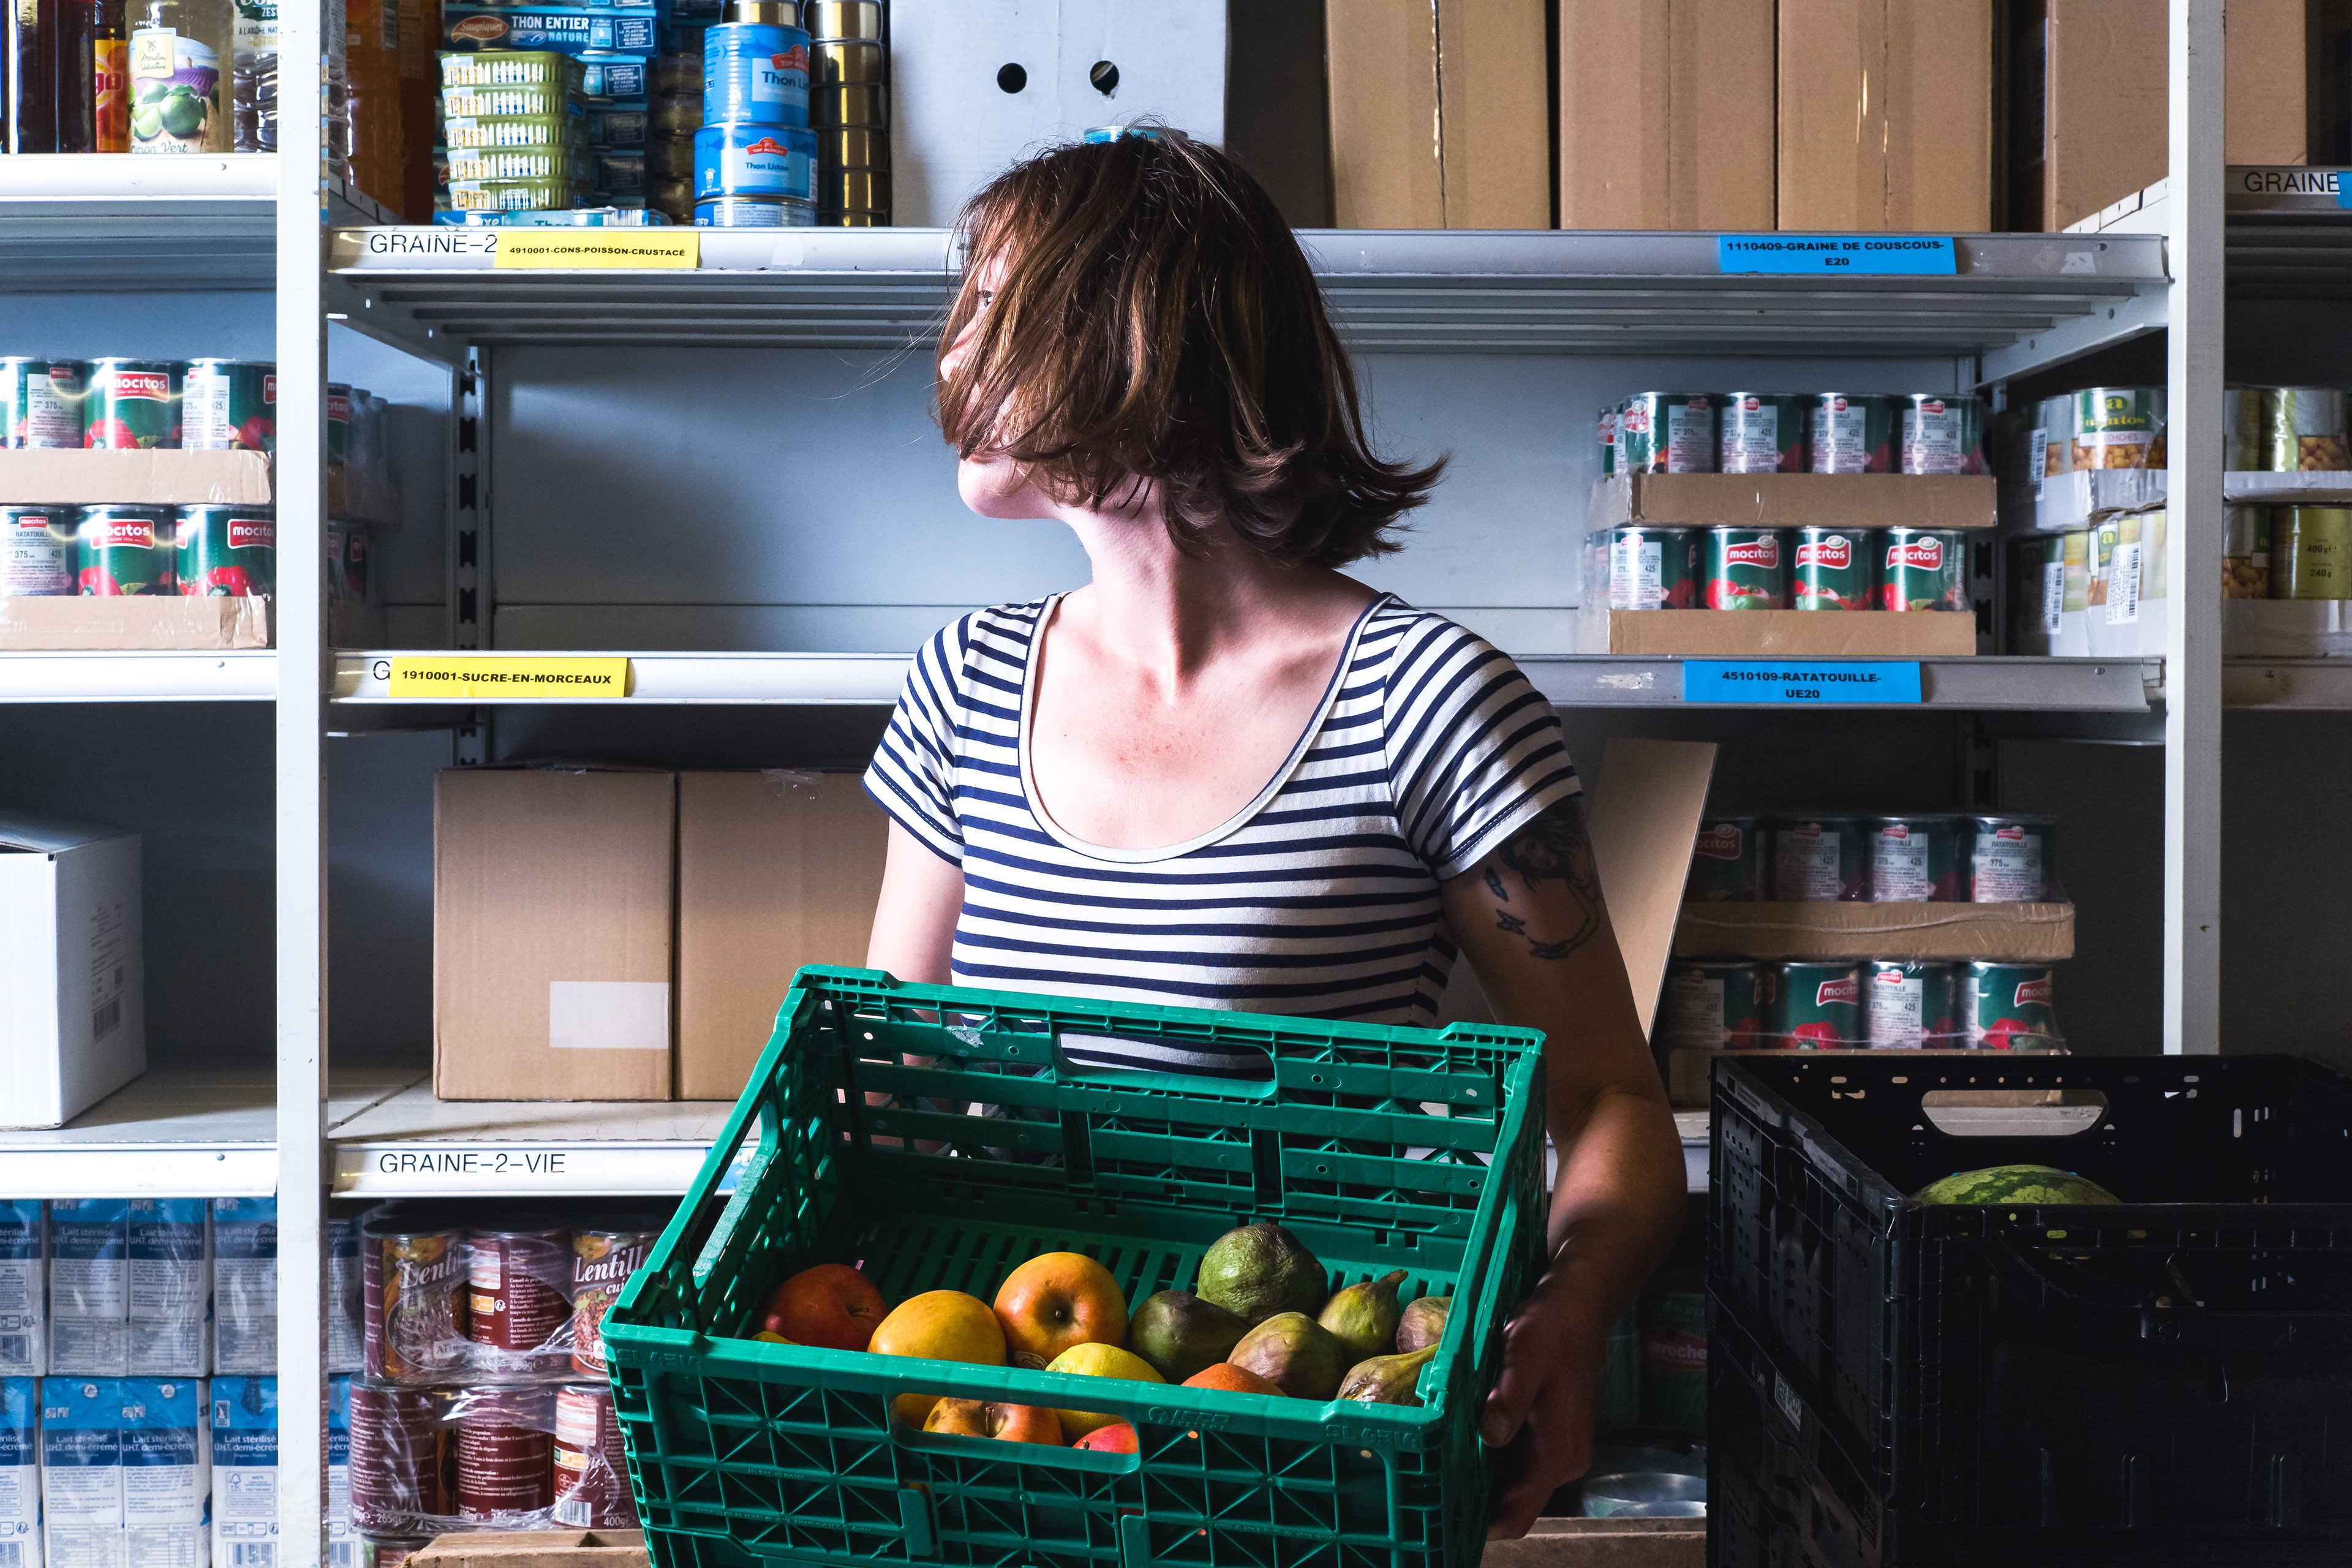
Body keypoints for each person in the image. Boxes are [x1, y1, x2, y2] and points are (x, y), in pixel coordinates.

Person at [861, 129, 1685, 1539]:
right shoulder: (965, 682)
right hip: (1013, 1436)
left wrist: (1570, 1310)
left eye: (995, 305)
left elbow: (1611, 1096)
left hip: (1300, 1454)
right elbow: (888, 1071)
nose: (953, 353)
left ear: (1133, 336)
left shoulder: (1426, 699)